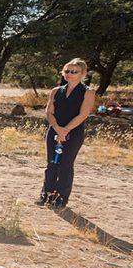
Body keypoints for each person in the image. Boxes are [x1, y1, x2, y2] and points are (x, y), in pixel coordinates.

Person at [38, 59, 95, 209]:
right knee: (51, 163)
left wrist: (66, 130)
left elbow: (83, 115)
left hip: (73, 133)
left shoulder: (88, 92)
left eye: (74, 71)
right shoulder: (56, 91)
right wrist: (57, 128)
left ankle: (60, 198)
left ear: (82, 74)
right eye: (67, 71)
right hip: (54, 131)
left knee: (65, 165)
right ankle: (45, 195)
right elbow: (49, 112)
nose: (69, 74)